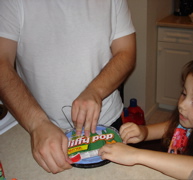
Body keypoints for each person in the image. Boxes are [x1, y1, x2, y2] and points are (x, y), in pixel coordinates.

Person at [0, 0, 136, 174]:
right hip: (40, 129)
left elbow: (126, 52)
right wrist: (37, 123)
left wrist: (95, 90)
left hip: (107, 122)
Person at [99, 60, 193, 179]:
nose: (182, 105)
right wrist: (142, 132)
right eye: (184, 94)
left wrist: (136, 155)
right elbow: (161, 129)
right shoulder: (185, 125)